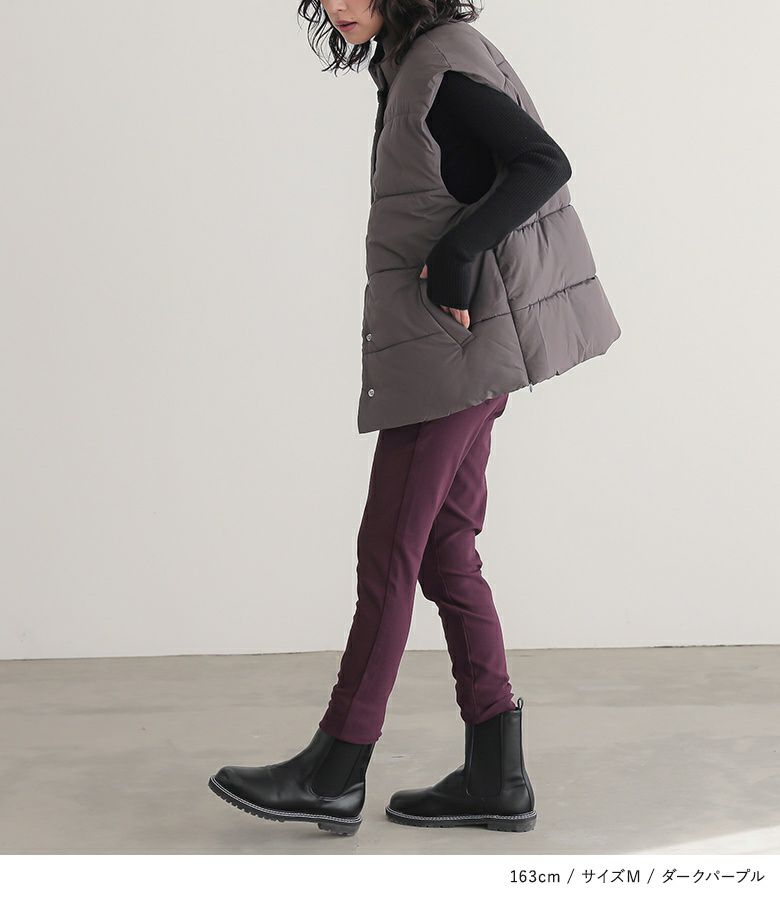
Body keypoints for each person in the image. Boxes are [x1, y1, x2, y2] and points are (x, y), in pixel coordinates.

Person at [208, 0, 620, 836]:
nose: (338, 4)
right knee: (443, 548)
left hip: (451, 357)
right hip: (461, 353)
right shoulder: (412, 63)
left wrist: (458, 253)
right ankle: (496, 774)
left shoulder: (440, 63)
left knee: (389, 549)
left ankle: (336, 767)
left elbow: (542, 161)